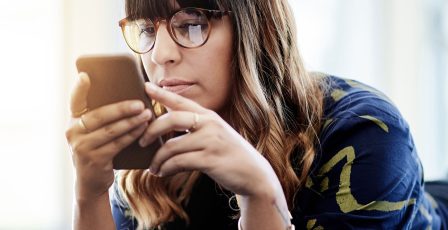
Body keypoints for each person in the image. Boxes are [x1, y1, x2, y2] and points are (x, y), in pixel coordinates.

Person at [65, 0, 448, 229]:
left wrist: (261, 194)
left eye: (192, 24)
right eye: (147, 29)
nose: (159, 54)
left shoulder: (366, 134)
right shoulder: (152, 152)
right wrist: (90, 195)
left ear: (256, 29)